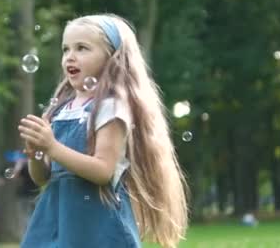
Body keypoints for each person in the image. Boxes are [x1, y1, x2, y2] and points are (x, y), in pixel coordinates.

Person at [18, 14, 188, 248]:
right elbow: (42, 178)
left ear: (112, 58)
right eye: (66, 49)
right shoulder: (59, 110)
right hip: (57, 219)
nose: (70, 56)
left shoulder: (110, 107)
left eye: (82, 48)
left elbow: (103, 171)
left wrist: (53, 147)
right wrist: (36, 153)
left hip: (97, 224)